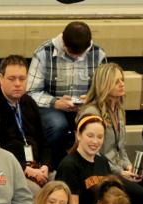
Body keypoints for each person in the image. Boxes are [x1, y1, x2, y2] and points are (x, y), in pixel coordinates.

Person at [27, 21, 108, 152]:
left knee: (94, 125)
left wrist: (91, 98)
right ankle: (52, 159)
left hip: (86, 106)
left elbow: (105, 90)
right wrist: (55, 102)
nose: (76, 57)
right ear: (63, 43)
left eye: (80, 54)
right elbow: (31, 92)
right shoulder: (43, 52)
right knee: (57, 125)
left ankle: (90, 160)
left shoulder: (98, 53)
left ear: (88, 45)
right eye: (71, 53)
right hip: (52, 107)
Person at [78, 64, 143, 204]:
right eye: (117, 81)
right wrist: (119, 172)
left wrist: (128, 166)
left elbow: (120, 147)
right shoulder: (92, 111)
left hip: (118, 168)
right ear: (104, 84)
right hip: (102, 170)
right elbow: (95, 153)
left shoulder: (119, 109)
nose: (122, 84)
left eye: (122, 80)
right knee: (142, 195)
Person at [0, 55, 50, 187]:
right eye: (12, 79)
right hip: (6, 172)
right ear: (1, 78)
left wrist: (45, 165)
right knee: (37, 193)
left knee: (62, 186)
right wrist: (24, 169)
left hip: (37, 167)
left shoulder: (29, 102)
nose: (17, 84)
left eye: (22, 79)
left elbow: (43, 141)